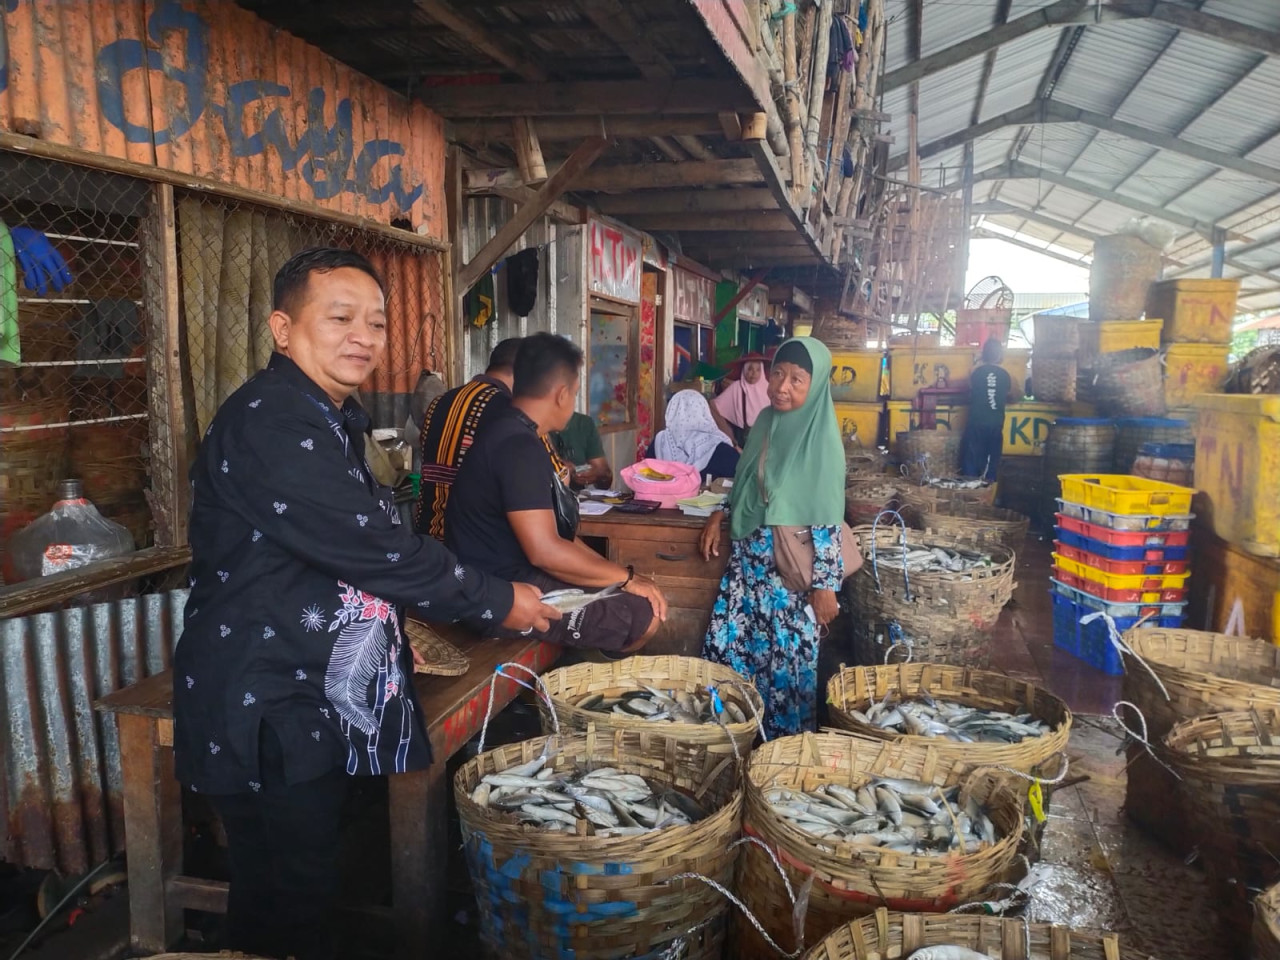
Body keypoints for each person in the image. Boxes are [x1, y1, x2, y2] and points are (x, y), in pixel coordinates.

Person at [173, 248, 559, 960]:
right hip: (267, 692)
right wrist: (499, 600)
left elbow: (346, 554)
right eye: (341, 317)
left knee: (304, 884)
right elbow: (372, 548)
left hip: (304, 684)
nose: (365, 336)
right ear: (282, 329)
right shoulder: (273, 420)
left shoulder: (328, 414)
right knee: (288, 892)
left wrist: (389, 626)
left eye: (377, 323)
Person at [447, 333, 668, 654]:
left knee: (631, 592)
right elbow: (545, 552)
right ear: (562, 395)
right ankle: (582, 687)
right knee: (642, 615)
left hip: (507, 575)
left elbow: (557, 537)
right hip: (497, 593)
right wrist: (627, 578)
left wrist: (621, 578)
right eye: (576, 393)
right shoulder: (518, 446)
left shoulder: (514, 433)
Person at [699, 338, 846, 738]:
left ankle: (778, 766)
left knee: (785, 679)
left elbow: (827, 516)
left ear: (815, 386)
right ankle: (733, 746)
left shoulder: (821, 439)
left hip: (789, 585)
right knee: (730, 663)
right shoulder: (765, 421)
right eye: (778, 374)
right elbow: (747, 480)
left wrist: (826, 586)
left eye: (798, 380)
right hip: (747, 573)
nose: (782, 386)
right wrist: (721, 513)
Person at [413, 337, 522, 540]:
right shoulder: (509, 409)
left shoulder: (438, 402)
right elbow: (555, 477)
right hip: (475, 545)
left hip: (427, 537)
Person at [644, 388, 739, 480]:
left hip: (660, 495)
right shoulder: (718, 446)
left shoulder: (660, 441)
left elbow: (646, 475)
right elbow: (739, 475)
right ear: (704, 411)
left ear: (671, 411)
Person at [961, 338, 1014, 479]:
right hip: (996, 423)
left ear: (984, 354)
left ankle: (970, 492)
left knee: (971, 459)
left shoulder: (975, 372)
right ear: (1000, 355)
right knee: (992, 461)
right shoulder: (1006, 375)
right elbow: (1015, 394)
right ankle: (988, 491)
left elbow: (969, 391)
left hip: (976, 422)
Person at [712, 352, 771, 446]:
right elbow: (714, 406)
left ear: (762, 371)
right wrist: (727, 431)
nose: (754, 373)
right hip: (742, 439)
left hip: (765, 438)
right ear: (744, 370)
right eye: (750, 369)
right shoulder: (737, 387)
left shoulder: (769, 389)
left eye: (758, 370)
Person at [553, 409, 613, 489]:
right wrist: (558, 468)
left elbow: (604, 474)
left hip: (576, 497)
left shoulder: (584, 423)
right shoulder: (535, 426)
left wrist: (596, 475)